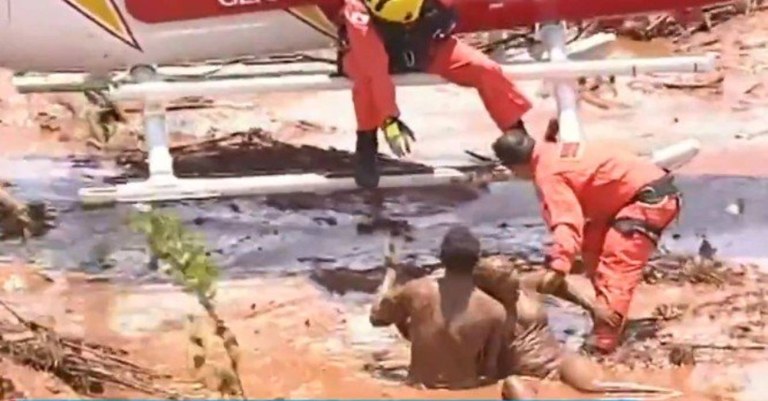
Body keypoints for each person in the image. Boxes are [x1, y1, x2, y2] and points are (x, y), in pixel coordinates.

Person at [490, 127, 682, 354]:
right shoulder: (550, 151)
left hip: (646, 201)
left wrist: (560, 265)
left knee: (616, 267)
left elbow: (566, 222)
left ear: (516, 166)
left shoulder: (548, 174)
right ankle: (609, 315)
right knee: (591, 248)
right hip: (628, 196)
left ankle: (603, 343)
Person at [337, 0, 532, 188]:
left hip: (426, 47)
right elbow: (375, 70)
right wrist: (389, 120)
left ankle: (517, 135)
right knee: (366, 82)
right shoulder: (358, 15)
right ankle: (366, 145)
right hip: (370, 51)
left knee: (484, 69)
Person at [369, 225, 508, 389]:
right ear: (477, 261)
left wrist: (390, 273)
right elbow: (489, 370)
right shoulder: (495, 310)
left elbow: (377, 318)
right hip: (463, 388)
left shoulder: (417, 291)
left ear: (441, 257)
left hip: (420, 387)